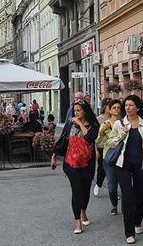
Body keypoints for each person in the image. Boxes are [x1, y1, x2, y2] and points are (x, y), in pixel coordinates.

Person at [107, 95, 143, 244]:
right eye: (126, 105)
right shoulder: (119, 124)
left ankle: (137, 221)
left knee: (139, 197)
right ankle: (129, 232)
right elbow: (111, 143)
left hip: (141, 166)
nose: (127, 107)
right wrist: (122, 133)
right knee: (128, 198)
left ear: (137, 107)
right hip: (123, 166)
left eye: (131, 105)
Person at [51, 99, 100, 235]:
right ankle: (77, 220)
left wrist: (80, 124)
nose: (76, 113)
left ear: (85, 111)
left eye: (79, 110)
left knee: (85, 191)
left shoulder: (93, 124)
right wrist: (54, 156)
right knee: (77, 191)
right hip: (71, 163)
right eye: (75, 110)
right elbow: (62, 140)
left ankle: (83, 210)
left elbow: (91, 138)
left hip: (87, 163)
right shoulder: (69, 123)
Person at [99, 98, 122, 215]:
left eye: (118, 108)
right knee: (112, 186)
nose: (117, 110)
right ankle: (114, 204)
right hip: (110, 156)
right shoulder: (105, 124)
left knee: (126, 185)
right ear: (110, 111)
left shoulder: (125, 122)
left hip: (123, 156)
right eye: (114, 108)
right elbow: (97, 141)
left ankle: (127, 207)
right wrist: (101, 131)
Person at [93, 97, 111, 197]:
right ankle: (98, 184)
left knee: (112, 169)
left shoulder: (116, 119)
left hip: (113, 147)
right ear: (104, 107)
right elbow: (95, 136)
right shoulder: (99, 119)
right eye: (109, 107)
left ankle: (112, 190)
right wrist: (95, 150)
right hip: (101, 146)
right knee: (102, 168)